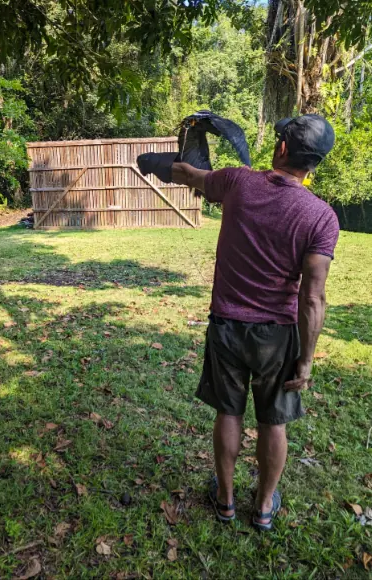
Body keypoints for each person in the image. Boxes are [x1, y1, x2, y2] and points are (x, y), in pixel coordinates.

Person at [139, 114, 339, 531]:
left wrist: (152, 161)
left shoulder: (237, 182)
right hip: (278, 335)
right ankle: (264, 506)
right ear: (314, 163)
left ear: (282, 148)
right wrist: (306, 358)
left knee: (228, 413)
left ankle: (226, 500)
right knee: (273, 421)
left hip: (227, 326)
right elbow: (313, 296)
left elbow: (188, 174)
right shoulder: (321, 217)